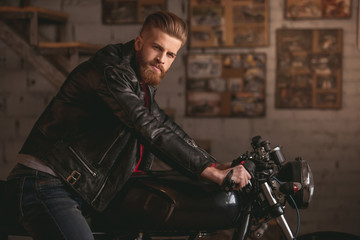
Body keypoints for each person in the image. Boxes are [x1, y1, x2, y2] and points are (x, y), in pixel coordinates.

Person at [5, 11, 252, 240]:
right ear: (138, 43)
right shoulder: (112, 71)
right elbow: (146, 127)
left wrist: (213, 163)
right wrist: (212, 174)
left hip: (81, 188)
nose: (161, 60)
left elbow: (164, 124)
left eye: (170, 54)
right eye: (157, 47)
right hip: (45, 183)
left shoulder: (138, 80)